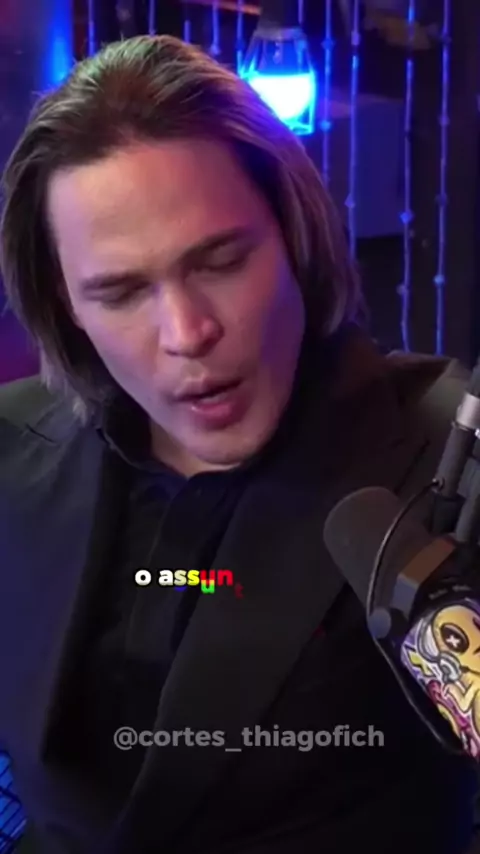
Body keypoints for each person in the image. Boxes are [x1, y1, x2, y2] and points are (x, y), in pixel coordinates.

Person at [0, 34, 477, 854]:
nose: (187, 332)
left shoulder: (450, 455)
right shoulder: (11, 448)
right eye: (120, 291)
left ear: (294, 236)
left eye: (220, 261)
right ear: (64, 304)